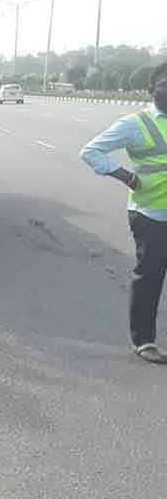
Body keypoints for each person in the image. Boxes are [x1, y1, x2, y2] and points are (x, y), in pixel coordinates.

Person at [80, 62, 167, 363]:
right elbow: (91, 151)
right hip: (151, 214)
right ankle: (144, 341)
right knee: (150, 278)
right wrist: (126, 176)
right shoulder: (135, 123)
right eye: (165, 84)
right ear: (151, 90)